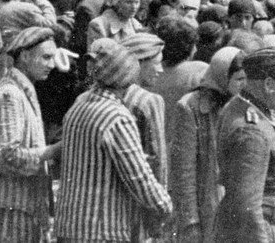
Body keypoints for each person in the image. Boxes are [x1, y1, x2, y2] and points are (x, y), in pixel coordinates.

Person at [54, 38, 174, 242]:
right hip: (102, 229)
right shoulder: (116, 117)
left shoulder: (79, 105)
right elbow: (139, 177)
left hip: (70, 225)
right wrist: (165, 206)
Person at [0, 27, 62, 242]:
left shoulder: (20, 90)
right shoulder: (10, 95)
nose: (52, 65)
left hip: (21, 207)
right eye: (46, 57)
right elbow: (8, 155)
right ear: (24, 56)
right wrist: (54, 150)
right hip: (11, 208)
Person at [215, 47, 275, 242]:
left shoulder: (239, 107)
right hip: (265, 230)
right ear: (269, 84)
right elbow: (248, 206)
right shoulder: (252, 130)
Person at [171, 47, 246, 243]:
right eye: (239, 80)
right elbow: (183, 171)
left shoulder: (244, 107)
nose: (244, 85)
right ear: (222, 77)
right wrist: (190, 221)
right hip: (207, 205)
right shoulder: (191, 107)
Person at [119, 32, 170, 238]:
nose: (160, 69)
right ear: (138, 63)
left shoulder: (108, 94)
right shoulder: (148, 100)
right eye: (156, 62)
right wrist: (160, 208)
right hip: (142, 203)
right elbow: (158, 160)